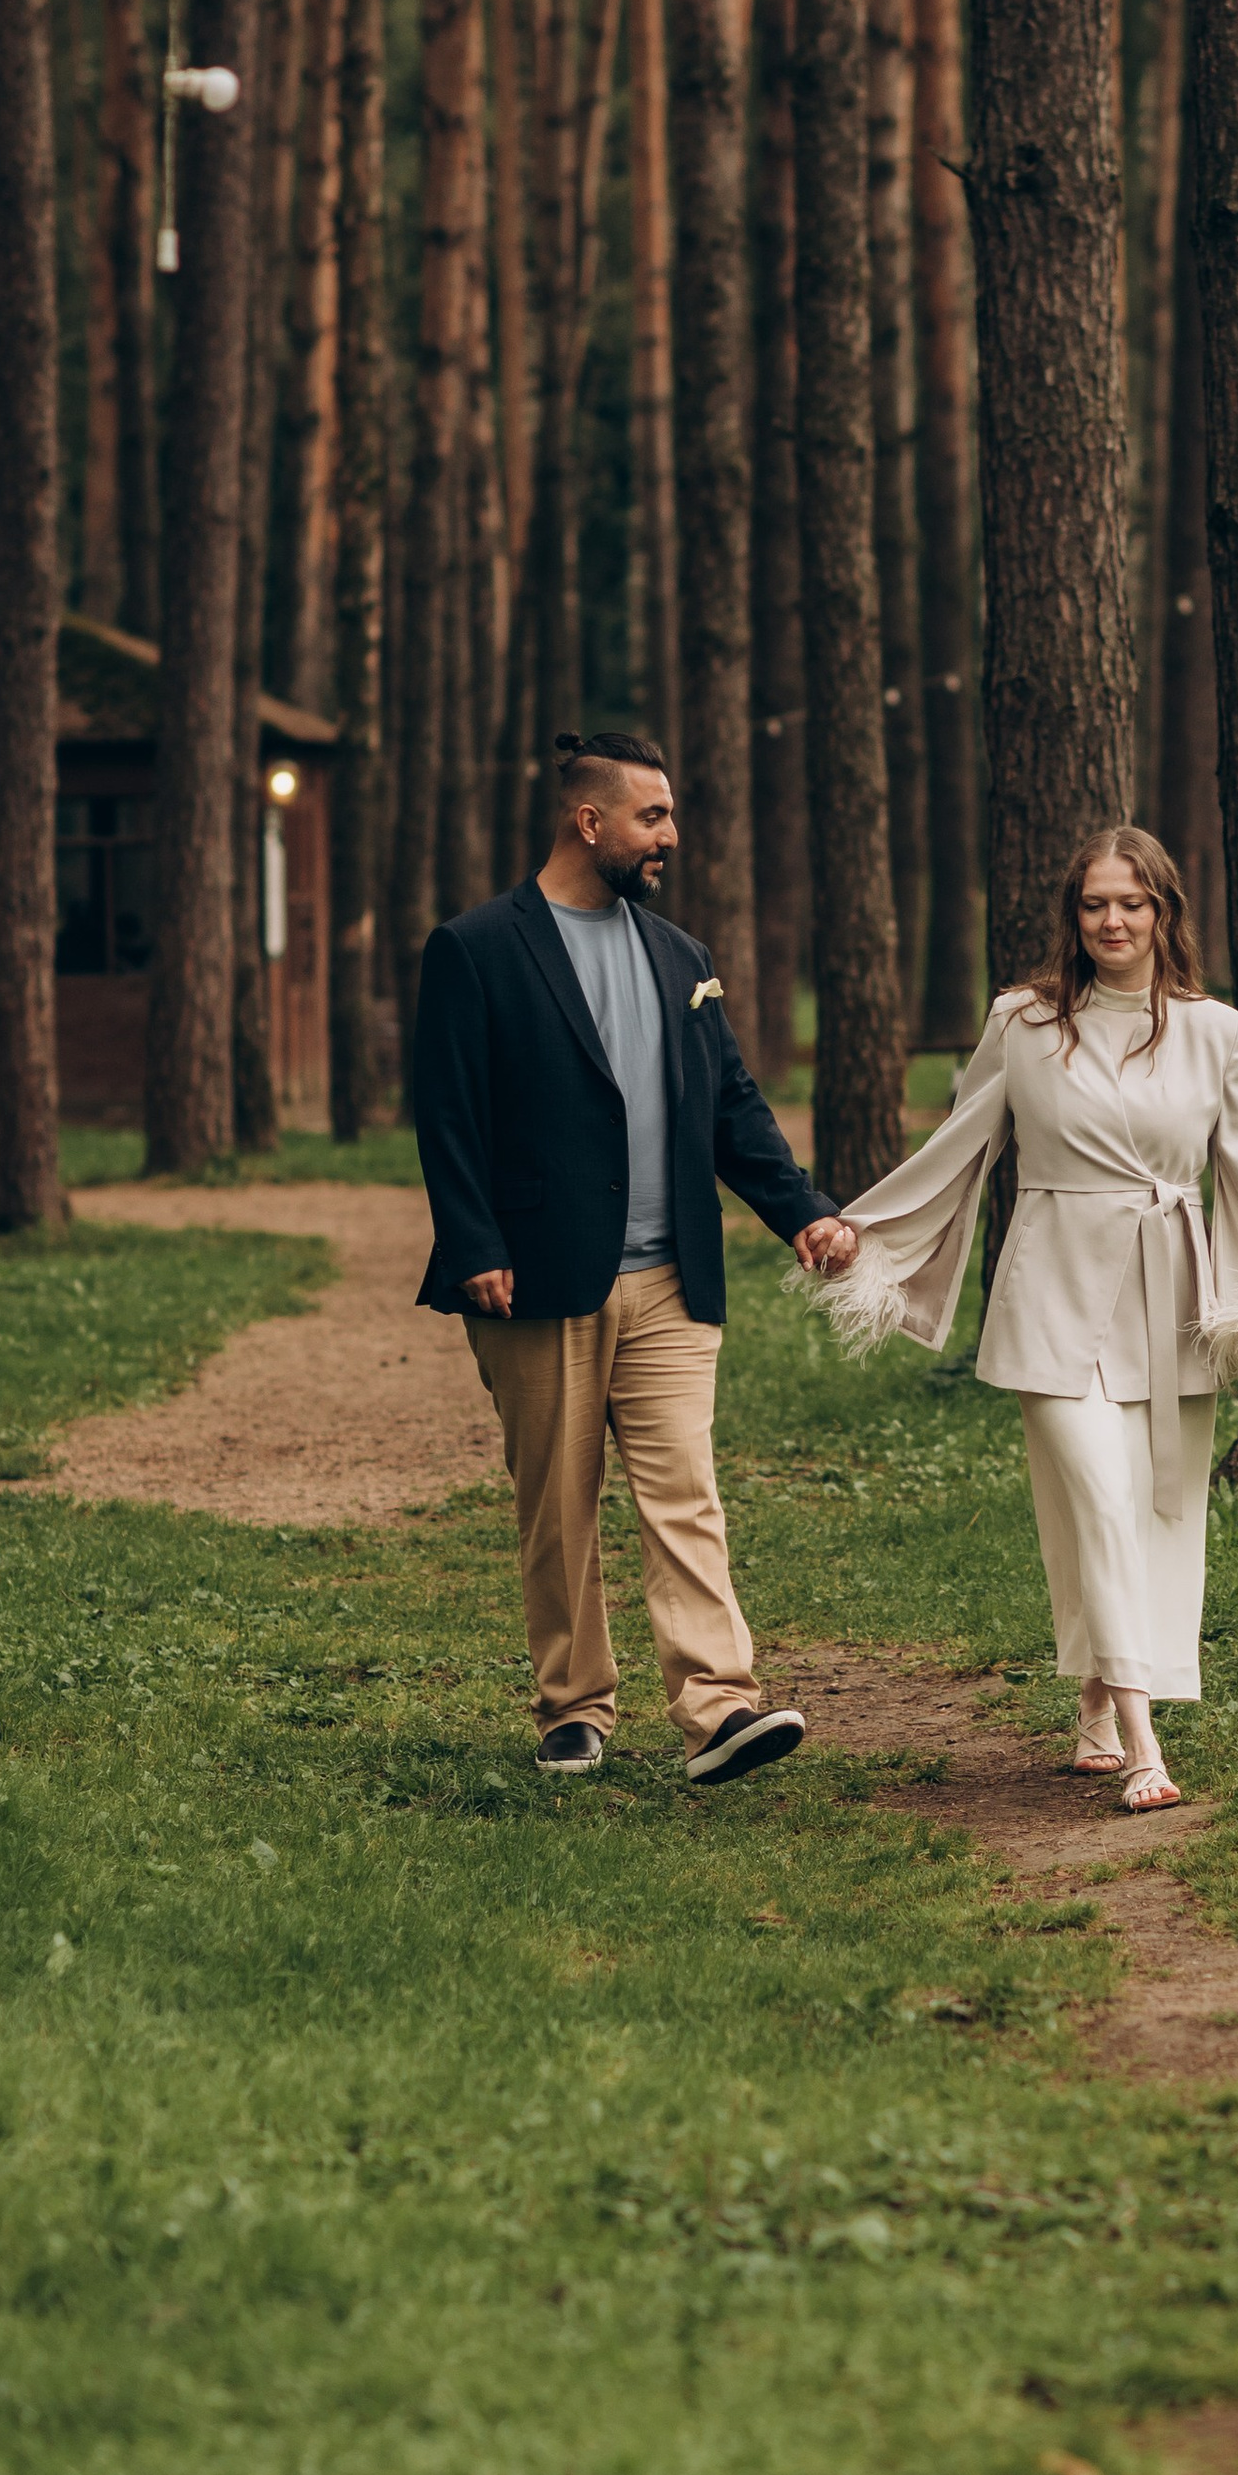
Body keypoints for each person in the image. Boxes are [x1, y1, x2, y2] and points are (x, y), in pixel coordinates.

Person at [809, 826, 1238, 1813]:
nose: (1112, 921)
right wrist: (861, 1232)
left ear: (1163, 911)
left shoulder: (1217, 1031)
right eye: (1093, 904)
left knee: (1154, 1506)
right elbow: (960, 1146)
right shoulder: (1025, 1020)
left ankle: (1092, 1702)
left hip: (1167, 1299)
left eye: (1131, 903)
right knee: (1100, 1498)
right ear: (1072, 916)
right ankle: (1143, 1740)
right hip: (1051, 1294)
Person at [411, 730, 860, 1783]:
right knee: (558, 1507)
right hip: (537, 1276)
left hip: (671, 1279)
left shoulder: (681, 957)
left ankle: (718, 1707)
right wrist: (475, 1241)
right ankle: (573, 1709)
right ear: (589, 821)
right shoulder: (476, 947)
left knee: (685, 1492)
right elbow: (447, 1111)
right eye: (651, 816)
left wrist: (801, 1211)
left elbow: (732, 1105)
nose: (670, 835)